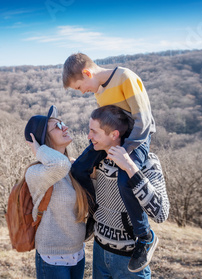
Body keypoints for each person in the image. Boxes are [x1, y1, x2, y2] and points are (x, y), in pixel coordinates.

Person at [63, 53, 157, 272]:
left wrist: (123, 154)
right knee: (78, 170)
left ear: (87, 73)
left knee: (125, 179)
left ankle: (144, 237)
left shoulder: (125, 77)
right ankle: (96, 216)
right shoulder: (100, 90)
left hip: (137, 138)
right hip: (112, 137)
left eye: (79, 87)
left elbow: (143, 122)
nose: (82, 92)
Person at [86, 105, 169, 278]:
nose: (89, 136)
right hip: (99, 252)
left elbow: (161, 214)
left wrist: (131, 169)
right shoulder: (99, 157)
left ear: (114, 134)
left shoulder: (148, 163)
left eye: (94, 131)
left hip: (130, 260)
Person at [23, 105, 89, 279]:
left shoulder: (73, 168)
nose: (65, 127)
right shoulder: (35, 173)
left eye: (63, 123)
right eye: (57, 126)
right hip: (52, 259)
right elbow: (59, 165)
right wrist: (38, 150)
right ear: (44, 139)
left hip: (78, 253)